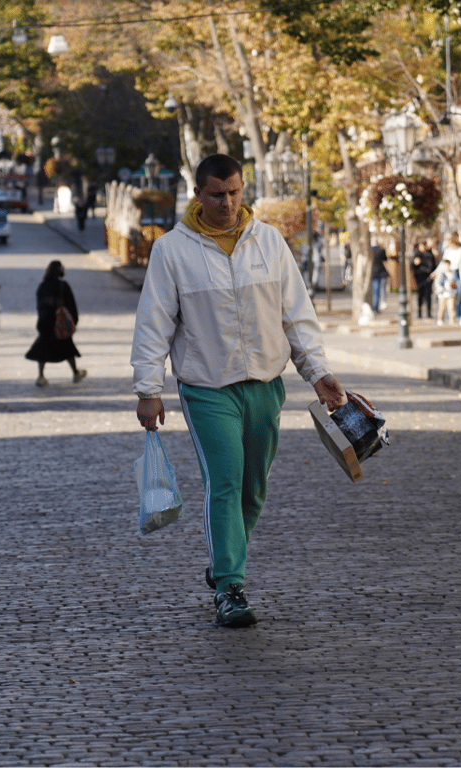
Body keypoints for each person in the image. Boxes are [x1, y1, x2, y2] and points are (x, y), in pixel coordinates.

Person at [132, 153, 346, 629]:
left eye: (234, 193)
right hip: (207, 388)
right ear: (198, 195)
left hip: (265, 385)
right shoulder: (172, 251)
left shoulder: (269, 242)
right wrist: (150, 388)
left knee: (254, 488)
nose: (227, 204)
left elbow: (296, 314)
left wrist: (317, 371)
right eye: (216, 195)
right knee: (225, 481)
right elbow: (153, 323)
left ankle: (223, 557)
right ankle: (230, 585)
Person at [25, 260, 86, 386]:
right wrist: (73, 321)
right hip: (61, 324)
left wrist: (42, 320)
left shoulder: (43, 286)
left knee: (43, 349)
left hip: (45, 323)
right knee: (67, 348)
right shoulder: (63, 286)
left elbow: (40, 306)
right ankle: (75, 373)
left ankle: (41, 376)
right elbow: (71, 306)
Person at [440, 231, 461, 323]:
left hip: (458, 274)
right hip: (449, 275)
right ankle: (451, 317)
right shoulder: (447, 251)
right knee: (450, 296)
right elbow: (443, 264)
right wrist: (436, 273)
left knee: (460, 295)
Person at [411, 240, 436, 320]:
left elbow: (433, 265)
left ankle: (428, 313)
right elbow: (412, 265)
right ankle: (419, 313)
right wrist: (415, 263)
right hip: (419, 278)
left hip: (428, 278)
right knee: (420, 296)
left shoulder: (429, 254)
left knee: (428, 296)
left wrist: (433, 273)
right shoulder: (417, 254)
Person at [370, 242, 389, 313]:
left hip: (374, 273)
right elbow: (385, 259)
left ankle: (375, 307)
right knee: (381, 289)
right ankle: (381, 303)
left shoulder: (370, 250)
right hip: (381, 272)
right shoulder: (381, 250)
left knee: (375, 291)